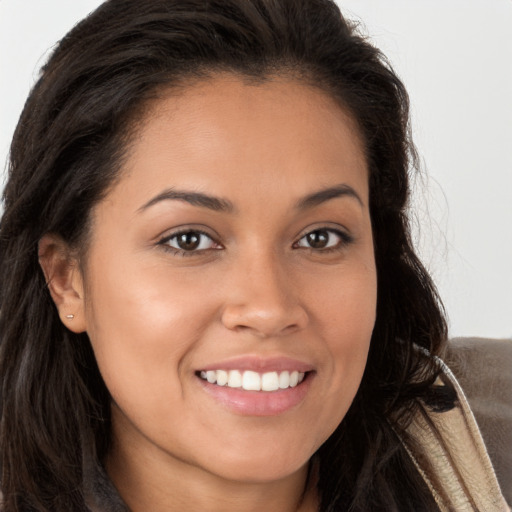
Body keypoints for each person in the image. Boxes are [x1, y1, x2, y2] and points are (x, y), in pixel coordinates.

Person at [0, 1, 507, 511]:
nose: (268, 308)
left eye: (320, 237)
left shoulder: (497, 440)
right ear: (67, 279)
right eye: (189, 240)